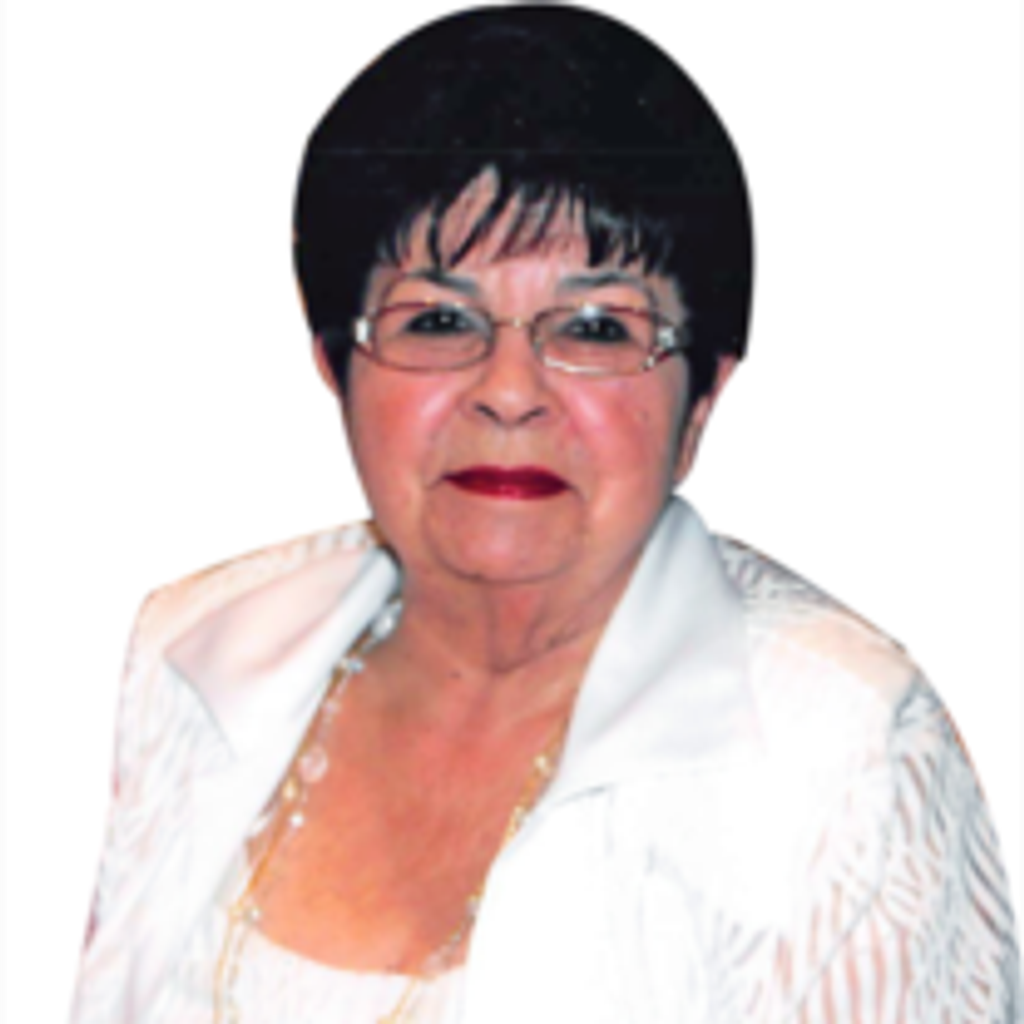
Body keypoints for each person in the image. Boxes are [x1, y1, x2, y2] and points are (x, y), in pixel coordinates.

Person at [69, 5, 1021, 1023]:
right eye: (440, 319)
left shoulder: (845, 748)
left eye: (595, 327)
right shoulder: (191, 656)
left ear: (702, 397)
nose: (509, 391)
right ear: (335, 366)